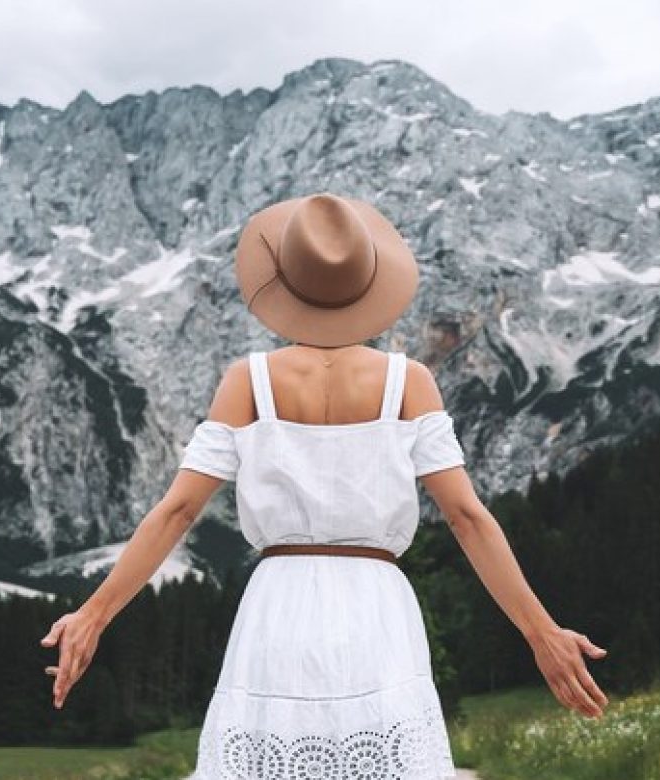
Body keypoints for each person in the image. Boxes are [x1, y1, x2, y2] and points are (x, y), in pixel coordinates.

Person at [40, 192, 608, 778]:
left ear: (285, 285)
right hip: (377, 606)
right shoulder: (408, 381)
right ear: (370, 284)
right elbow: (467, 517)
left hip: (277, 605)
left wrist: (94, 615)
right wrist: (541, 633)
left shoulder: (248, 380)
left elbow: (178, 510)